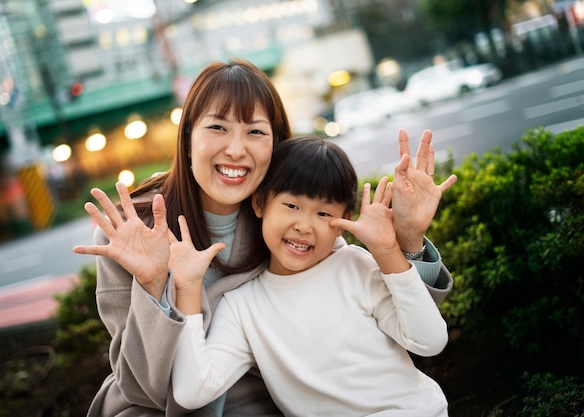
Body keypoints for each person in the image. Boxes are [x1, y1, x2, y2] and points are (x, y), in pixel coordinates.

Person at [73, 58, 457, 416]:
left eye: (255, 131)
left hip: (260, 399)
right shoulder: (133, 231)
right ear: (188, 136)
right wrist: (155, 287)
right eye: (218, 127)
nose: (236, 150)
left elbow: (399, 315)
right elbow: (146, 387)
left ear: (276, 142)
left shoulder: (285, 215)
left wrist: (407, 241)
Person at [171, 135, 449, 416]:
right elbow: (192, 391)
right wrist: (188, 287)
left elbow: (430, 341)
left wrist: (388, 252)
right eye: (291, 206)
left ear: (342, 224)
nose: (304, 226)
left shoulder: (354, 265)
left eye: (323, 213)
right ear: (259, 203)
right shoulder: (242, 307)